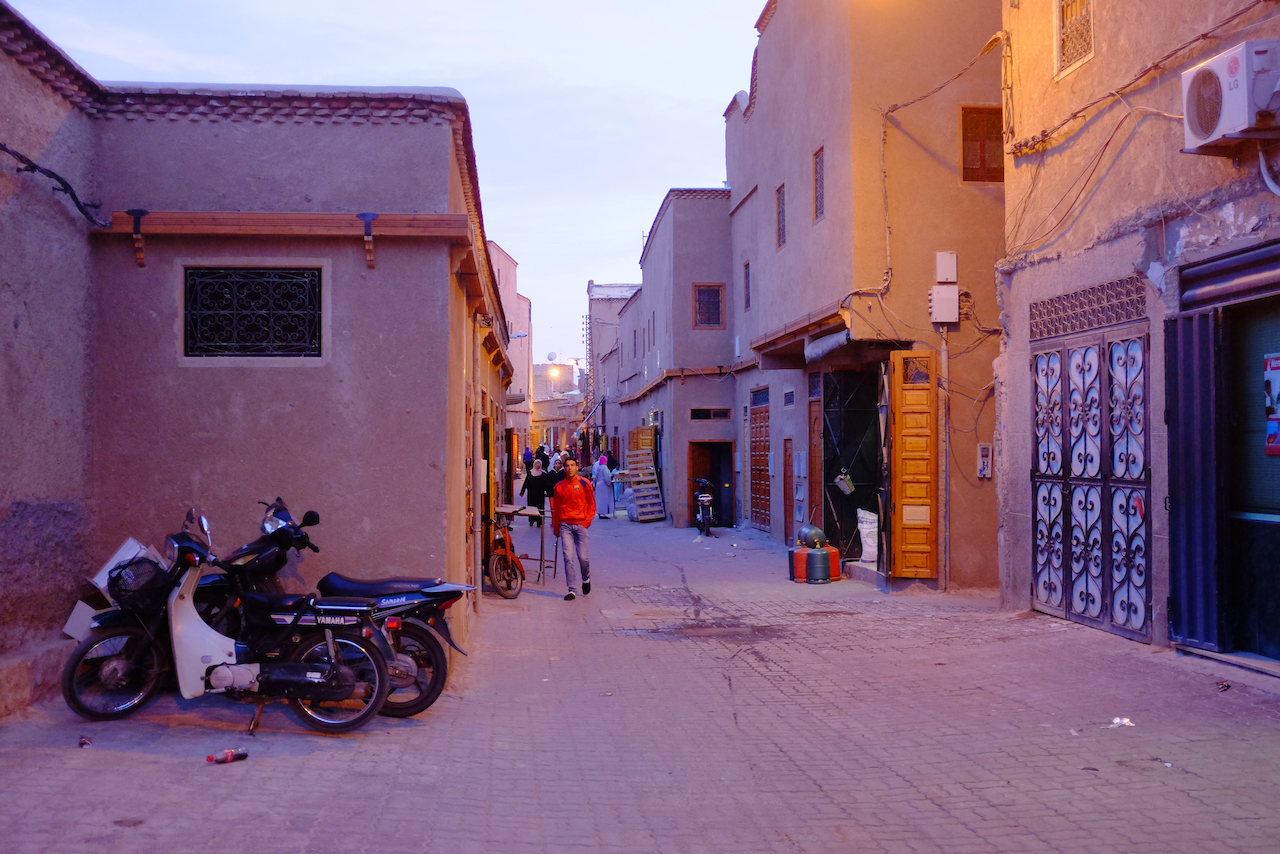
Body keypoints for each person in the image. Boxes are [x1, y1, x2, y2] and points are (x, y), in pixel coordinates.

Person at [551, 458, 595, 600]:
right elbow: (556, 509)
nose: (570, 468)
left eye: (572, 465)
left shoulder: (584, 483)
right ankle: (572, 589)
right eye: (567, 466)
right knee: (568, 557)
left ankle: (586, 578)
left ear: (577, 467)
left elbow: (591, 505)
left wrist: (586, 522)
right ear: (564, 468)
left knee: (583, 557)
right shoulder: (559, 487)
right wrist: (556, 527)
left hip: (581, 525)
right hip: (565, 526)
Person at [518, 459, 548, 526]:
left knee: (539, 508)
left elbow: (546, 484)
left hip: (540, 494)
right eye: (536, 464)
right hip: (531, 494)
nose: (537, 465)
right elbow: (526, 483)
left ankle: (539, 522)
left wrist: (548, 492)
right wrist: (522, 492)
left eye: (539, 464)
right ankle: (532, 521)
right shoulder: (530, 473)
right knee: (531, 507)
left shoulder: (543, 474)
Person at [593, 454, 615, 518]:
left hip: (599, 485)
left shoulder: (598, 467)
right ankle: (603, 513)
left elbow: (596, 477)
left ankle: (600, 513)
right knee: (604, 499)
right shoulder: (604, 467)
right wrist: (609, 482)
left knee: (600, 500)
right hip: (604, 486)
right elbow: (607, 477)